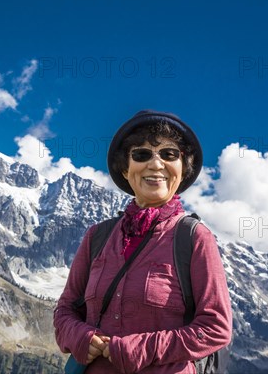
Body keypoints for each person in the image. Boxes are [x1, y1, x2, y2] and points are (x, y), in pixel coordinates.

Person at [54, 110, 232, 373]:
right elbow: (65, 311)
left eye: (169, 154)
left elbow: (215, 328)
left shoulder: (194, 238)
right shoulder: (97, 237)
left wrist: (142, 348)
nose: (156, 164)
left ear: (183, 169)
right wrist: (79, 337)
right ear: (125, 170)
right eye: (142, 154)